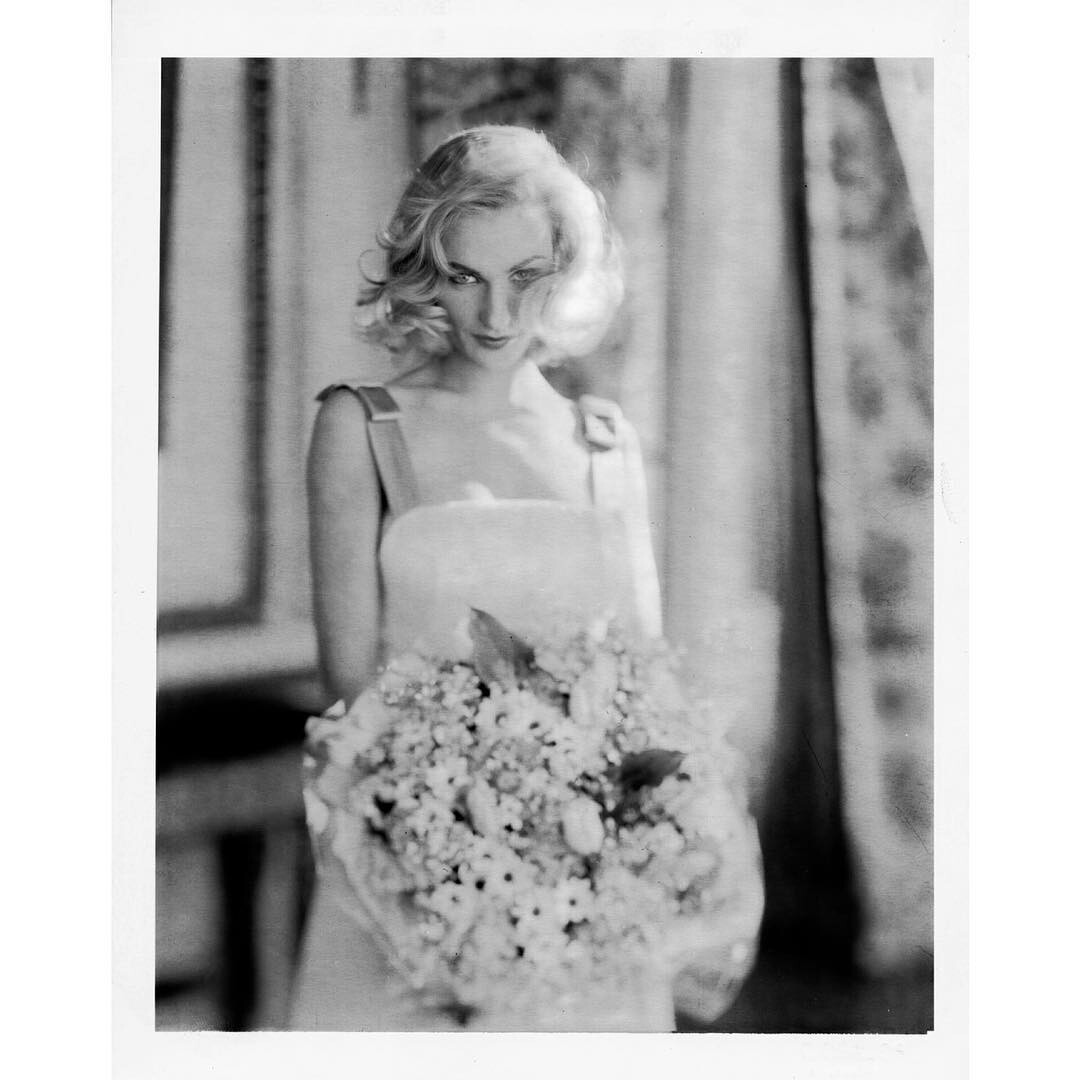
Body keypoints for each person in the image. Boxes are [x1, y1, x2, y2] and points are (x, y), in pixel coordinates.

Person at [288, 125, 758, 1030]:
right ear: (425, 269)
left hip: (589, 892)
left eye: (527, 276)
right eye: (465, 276)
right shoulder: (361, 426)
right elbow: (349, 702)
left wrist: (620, 848)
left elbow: (645, 691)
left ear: (566, 268)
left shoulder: (604, 442)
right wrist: (454, 868)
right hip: (412, 872)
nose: (497, 314)